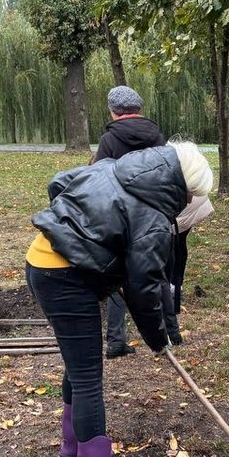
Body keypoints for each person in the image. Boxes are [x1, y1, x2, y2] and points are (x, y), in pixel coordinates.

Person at [26, 141, 213, 457]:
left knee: (79, 364)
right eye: (193, 195)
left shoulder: (115, 166)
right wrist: (159, 341)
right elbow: (143, 288)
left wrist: (75, 229)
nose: (191, 201)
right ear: (183, 187)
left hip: (41, 259)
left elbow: (59, 182)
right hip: (65, 278)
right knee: (88, 379)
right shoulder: (155, 217)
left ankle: (72, 447)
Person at [91, 85, 165, 359]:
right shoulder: (156, 136)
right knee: (153, 274)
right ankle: (163, 336)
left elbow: (98, 178)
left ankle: (116, 340)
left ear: (113, 110)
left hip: (117, 216)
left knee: (114, 276)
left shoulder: (109, 140)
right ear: (138, 110)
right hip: (150, 215)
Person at [163, 192, 215, 345]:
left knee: (175, 244)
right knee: (176, 244)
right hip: (184, 202)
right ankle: (175, 289)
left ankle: (174, 290)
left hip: (181, 203)